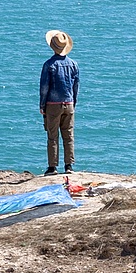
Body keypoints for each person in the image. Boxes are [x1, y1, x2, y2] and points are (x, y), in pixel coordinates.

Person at [39, 30, 80, 175]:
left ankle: (52, 167)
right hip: (69, 103)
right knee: (68, 135)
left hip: (52, 105)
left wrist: (42, 105)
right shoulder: (73, 64)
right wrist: (73, 102)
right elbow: (76, 86)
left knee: (52, 136)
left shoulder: (49, 65)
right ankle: (69, 166)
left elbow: (44, 87)